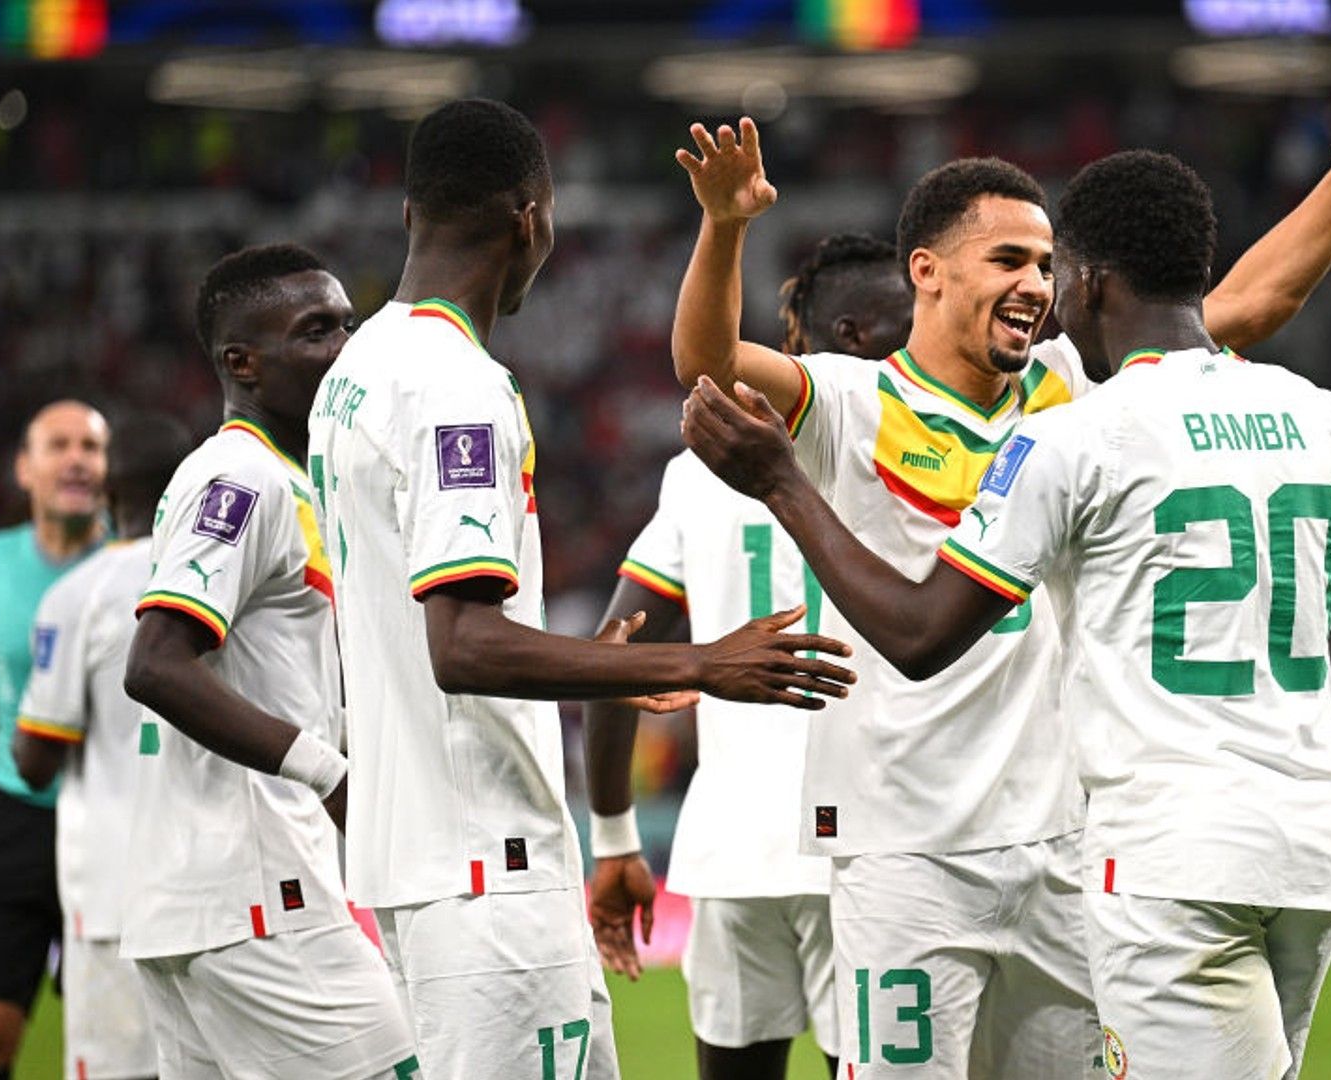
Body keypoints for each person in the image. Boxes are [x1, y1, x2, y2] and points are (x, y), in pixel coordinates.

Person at [669, 51, 1331, 1076]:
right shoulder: (847, 397)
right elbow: (705, 364)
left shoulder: (1073, 391)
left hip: (1066, 842)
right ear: (926, 270)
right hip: (905, 845)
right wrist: (725, 227)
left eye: (1047, 264)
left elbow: (1250, 301)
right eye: (1007, 260)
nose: (1034, 285)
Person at [307, 97, 856, 1079]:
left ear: (408, 218)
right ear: (531, 217)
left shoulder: (357, 369)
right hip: (485, 865)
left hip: (415, 854)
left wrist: (605, 669)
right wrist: (699, 661)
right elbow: (462, 644)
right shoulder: (454, 386)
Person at [586, 232, 910, 1080]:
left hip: (736, 846)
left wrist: (616, 838)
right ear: (855, 338)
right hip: (878, 844)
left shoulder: (700, 473)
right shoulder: (935, 466)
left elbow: (615, 654)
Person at [118, 245, 419, 1079]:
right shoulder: (241, 479)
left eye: (347, 325)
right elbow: (156, 663)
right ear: (240, 363)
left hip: (201, 896)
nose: (343, 346)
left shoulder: (282, 480)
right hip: (255, 889)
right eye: (315, 331)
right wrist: (330, 772)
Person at [14, 415, 196, 1080]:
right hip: (211, 883)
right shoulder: (222, 581)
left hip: (114, 889)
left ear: (109, 493)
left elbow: (33, 762)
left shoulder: (76, 596)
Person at [0, 399, 108, 1080]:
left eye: (91, 447)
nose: (76, 459)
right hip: (17, 819)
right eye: (58, 445)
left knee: (124, 1039)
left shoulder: (141, 562)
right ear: (23, 469)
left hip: (113, 822)